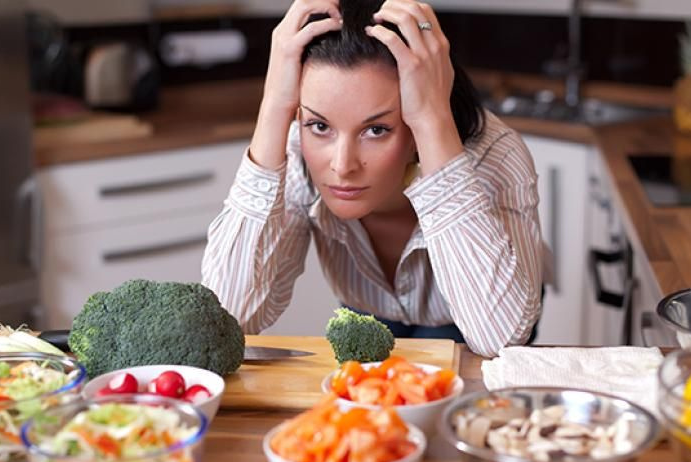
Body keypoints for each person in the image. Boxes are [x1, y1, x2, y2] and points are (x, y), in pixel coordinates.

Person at [202, 0, 545, 358]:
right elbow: (227, 317)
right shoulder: (295, 151)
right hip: (368, 309)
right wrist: (273, 105)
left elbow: (499, 339)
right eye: (319, 126)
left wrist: (432, 122)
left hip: (479, 313)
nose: (342, 165)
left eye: (376, 129)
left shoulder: (494, 156)